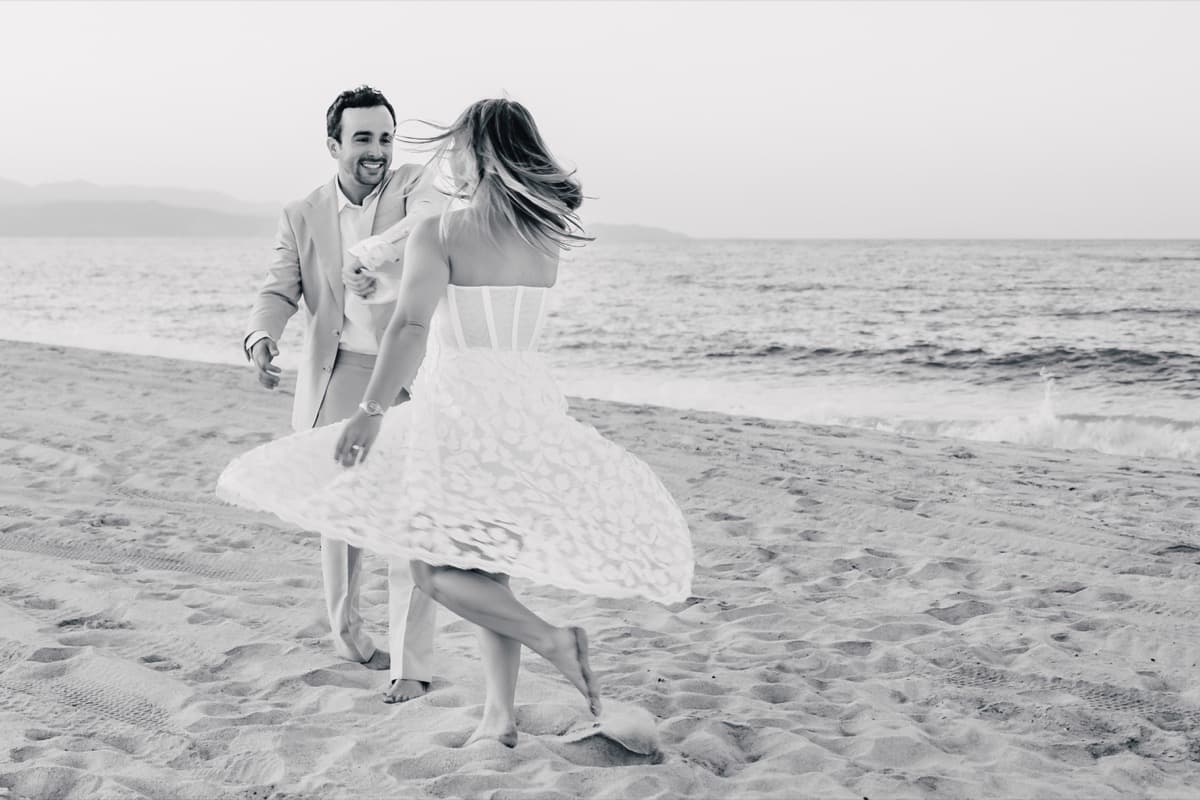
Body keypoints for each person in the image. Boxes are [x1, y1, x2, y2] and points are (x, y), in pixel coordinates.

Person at [219, 98, 693, 746]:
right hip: (524, 412)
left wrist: (370, 412)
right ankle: (499, 717)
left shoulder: (441, 232)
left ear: (479, 155)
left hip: (458, 413)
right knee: (488, 570)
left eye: (457, 151)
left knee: (433, 573)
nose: (449, 164)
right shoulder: (544, 233)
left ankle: (554, 638)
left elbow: (414, 328)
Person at [238, 85, 445, 703]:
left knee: (414, 518)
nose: (378, 150)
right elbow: (280, 286)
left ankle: (410, 664)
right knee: (340, 519)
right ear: (334, 146)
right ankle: (348, 636)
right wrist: (261, 337)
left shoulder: (414, 187)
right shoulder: (301, 213)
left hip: (408, 377)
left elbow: (434, 221)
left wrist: (375, 252)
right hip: (335, 377)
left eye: (385, 136)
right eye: (363, 138)